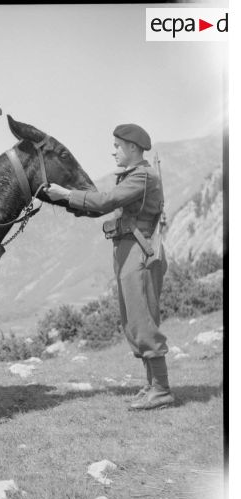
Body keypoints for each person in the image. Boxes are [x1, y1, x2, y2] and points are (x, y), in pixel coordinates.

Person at [46, 124, 174, 410]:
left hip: (139, 253)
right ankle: (152, 385)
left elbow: (107, 201)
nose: (113, 150)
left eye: (117, 145)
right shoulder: (132, 175)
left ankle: (162, 389)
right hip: (128, 249)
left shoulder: (142, 176)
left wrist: (67, 194)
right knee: (133, 321)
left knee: (143, 321)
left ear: (132, 148)